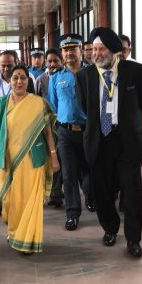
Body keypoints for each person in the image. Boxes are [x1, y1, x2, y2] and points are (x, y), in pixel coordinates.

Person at [76, 27, 142, 258]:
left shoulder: (134, 71)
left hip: (127, 139)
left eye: (101, 49)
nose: (96, 54)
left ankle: (133, 239)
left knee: (132, 190)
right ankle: (110, 228)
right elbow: (85, 106)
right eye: (93, 49)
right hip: (99, 141)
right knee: (103, 191)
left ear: (113, 51)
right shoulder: (84, 76)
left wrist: (127, 123)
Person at [0, 64, 60, 254]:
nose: (19, 81)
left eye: (23, 78)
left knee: (29, 201)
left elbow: (48, 132)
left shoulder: (38, 103)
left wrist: (54, 157)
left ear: (29, 81)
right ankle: (14, 230)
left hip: (33, 161)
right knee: (9, 202)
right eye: (15, 78)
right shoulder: (1, 103)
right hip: (8, 161)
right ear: (9, 81)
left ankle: (26, 240)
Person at [48, 33, 95, 232]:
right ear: (62, 52)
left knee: (90, 170)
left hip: (88, 131)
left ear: (81, 50)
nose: (69, 53)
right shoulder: (57, 77)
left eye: (73, 49)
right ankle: (72, 214)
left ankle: (91, 198)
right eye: (65, 50)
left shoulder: (92, 74)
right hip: (66, 132)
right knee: (68, 173)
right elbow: (53, 106)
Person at [0, 50, 35, 215]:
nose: (6, 68)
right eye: (3, 65)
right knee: (1, 169)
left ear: (16, 63)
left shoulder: (27, 81)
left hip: (21, 136)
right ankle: (2, 200)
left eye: (10, 65)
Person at [36, 48, 64, 207]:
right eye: (50, 61)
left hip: (63, 123)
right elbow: (37, 101)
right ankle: (54, 192)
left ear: (61, 61)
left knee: (60, 158)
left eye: (55, 61)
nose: (52, 64)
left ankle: (56, 191)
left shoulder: (67, 77)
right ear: (46, 63)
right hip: (47, 124)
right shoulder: (41, 79)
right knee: (50, 158)